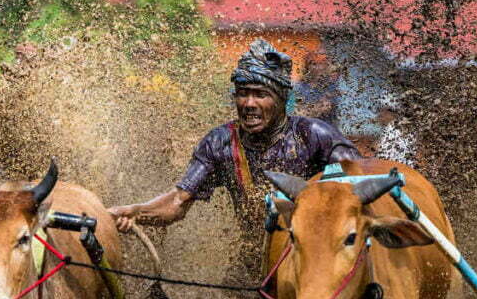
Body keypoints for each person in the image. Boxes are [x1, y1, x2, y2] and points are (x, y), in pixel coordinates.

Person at [108, 39, 360, 240]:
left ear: (282, 100)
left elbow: (360, 181)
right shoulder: (220, 142)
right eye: (242, 94)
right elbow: (177, 201)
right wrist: (137, 212)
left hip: (309, 255)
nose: (249, 104)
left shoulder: (315, 135)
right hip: (252, 261)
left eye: (261, 95)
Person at [293, 51, 341, 125]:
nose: (318, 67)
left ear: (326, 66)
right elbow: (296, 113)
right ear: (307, 67)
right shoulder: (299, 87)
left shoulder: (331, 86)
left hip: (328, 129)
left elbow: (328, 107)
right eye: (314, 64)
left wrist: (309, 110)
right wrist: (316, 109)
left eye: (321, 63)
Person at [374, 91, 417, 167]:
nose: (380, 115)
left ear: (393, 112)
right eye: (379, 110)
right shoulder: (389, 131)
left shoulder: (399, 132)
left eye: (383, 110)